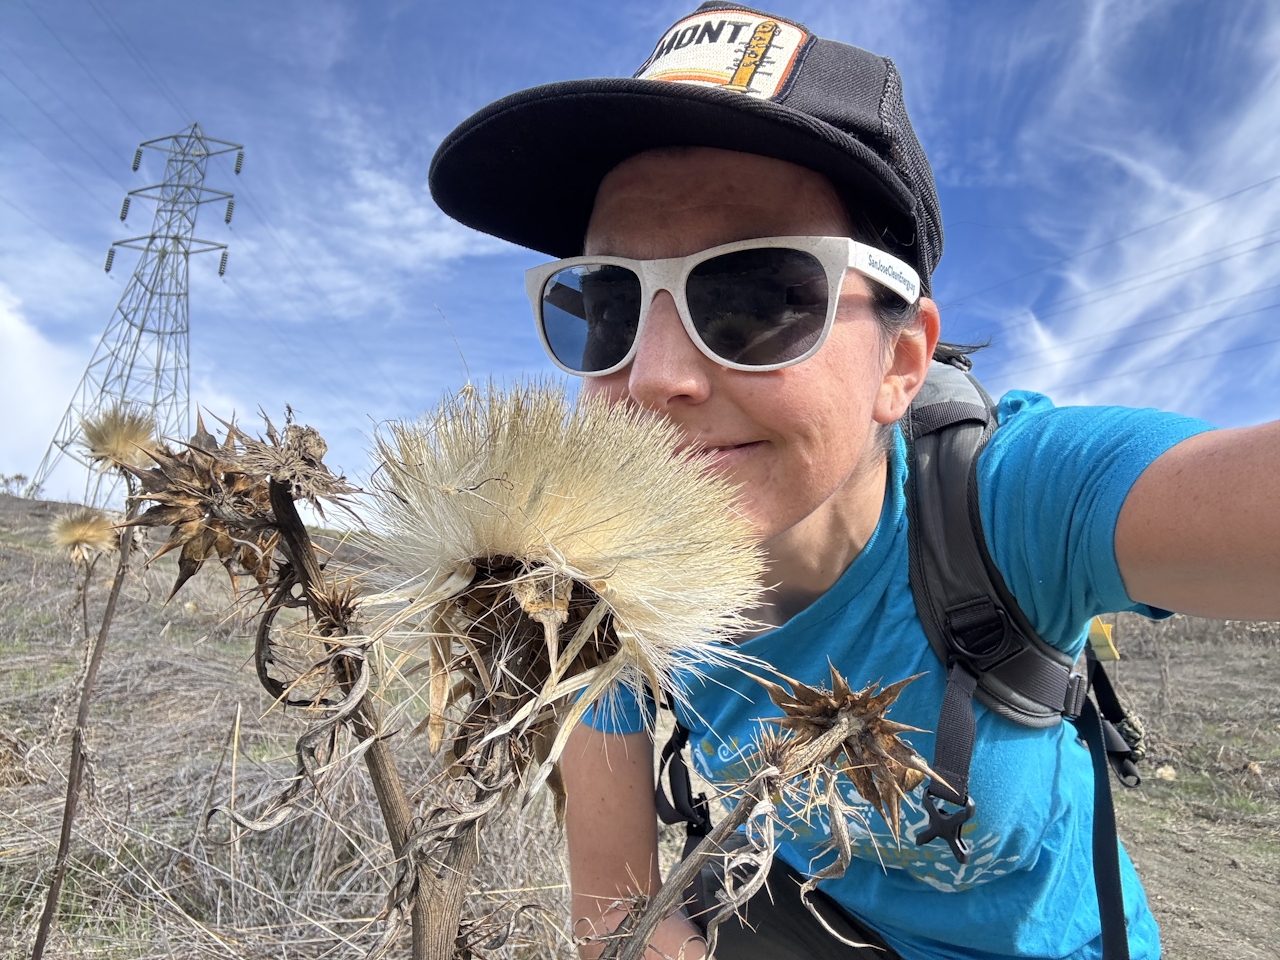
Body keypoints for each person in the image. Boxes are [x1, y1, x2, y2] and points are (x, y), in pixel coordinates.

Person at [428, 5, 1280, 959]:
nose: (656, 375)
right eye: (609, 305)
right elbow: (619, 919)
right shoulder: (601, 584)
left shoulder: (1008, 505)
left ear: (900, 362)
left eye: (753, 295)